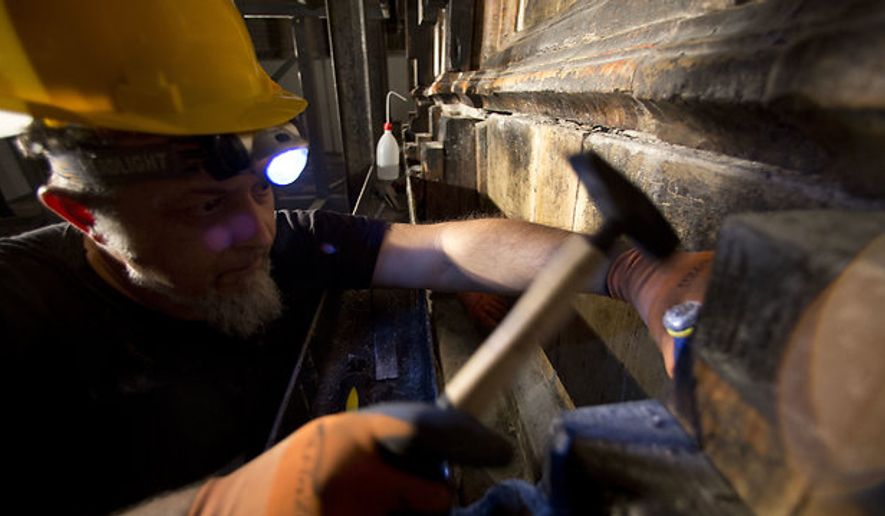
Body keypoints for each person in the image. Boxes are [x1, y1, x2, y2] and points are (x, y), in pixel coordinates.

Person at [0, 1, 712, 514]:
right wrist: (220, 506)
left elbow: (443, 252)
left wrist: (636, 272)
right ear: (81, 215)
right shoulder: (22, 309)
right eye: (203, 208)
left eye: (257, 189)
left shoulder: (285, 243)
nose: (253, 230)